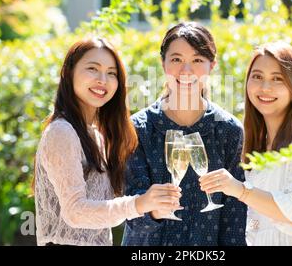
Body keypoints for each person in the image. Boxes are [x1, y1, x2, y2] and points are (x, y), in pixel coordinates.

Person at [34, 38, 182, 246]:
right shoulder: (62, 132)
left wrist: (152, 204)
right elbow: (75, 212)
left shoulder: (97, 134)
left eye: (112, 73)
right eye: (92, 69)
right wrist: (138, 203)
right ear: (68, 72)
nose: (103, 79)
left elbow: (105, 207)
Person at [122, 22, 247, 246]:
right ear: (163, 64)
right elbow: (130, 215)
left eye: (197, 60)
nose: (186, 71)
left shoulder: (229, 130)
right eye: (177, 59)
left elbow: (235, 221)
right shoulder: (138, 129)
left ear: (212, 66)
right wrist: (154, 210)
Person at [200, 42, 292, 246]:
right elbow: (256, 221)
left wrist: (239, 189)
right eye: (257, 77)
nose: (265, 88)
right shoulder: (258, 142)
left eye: (277, 79)